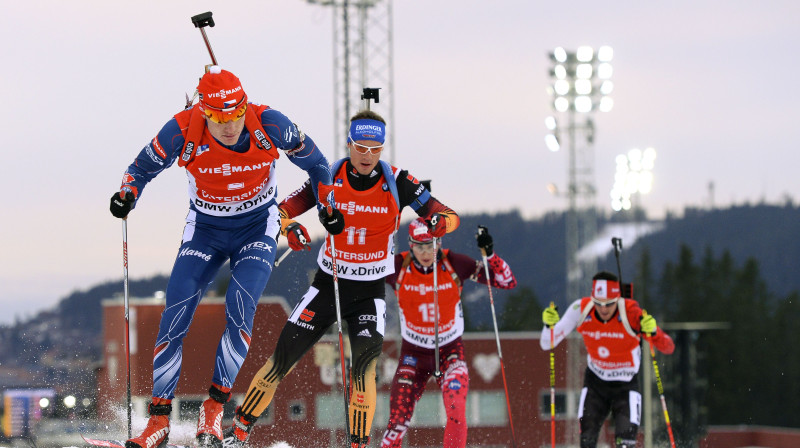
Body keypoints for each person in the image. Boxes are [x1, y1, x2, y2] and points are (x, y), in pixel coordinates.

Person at [108, 65, 334, 448]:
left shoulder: (270, 124)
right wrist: (127, 194)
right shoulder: (181, 129)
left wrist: (326, 203)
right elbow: (139, 169)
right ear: (204, 112)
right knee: (175, 312)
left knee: (239, 307)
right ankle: (158, 421)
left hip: (256, 229)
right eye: (219, 118)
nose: (231, 126)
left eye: (236, 114)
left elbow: (318, 164)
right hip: (206, 230)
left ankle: (213, 411)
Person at [221, 109, 460, 448]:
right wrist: (292, 230)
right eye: (360, 147)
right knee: (282, 359)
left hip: (369, 293)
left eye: (374, 148)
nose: (367, 155)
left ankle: (359, 445)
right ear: (349, 144)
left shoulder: (398, 181)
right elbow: (280, 212)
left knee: (363, 371)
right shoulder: (327, 175)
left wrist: (439, 224)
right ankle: (238, 433)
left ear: (382, 147)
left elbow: (447, 215)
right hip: (327, 286)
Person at [380, 220, 517, 448]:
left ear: (439, 243)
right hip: (413, 354)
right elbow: (359, 278)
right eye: (420, 246)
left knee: (456, 409)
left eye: (431, 245)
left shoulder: (453, 262)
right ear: (410, 245)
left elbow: (506, 281)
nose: (426, 252)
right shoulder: (398, 266)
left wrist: (490, 254)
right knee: (397, 420)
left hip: (449, 351)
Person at [539, 271, 675, 448]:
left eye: (609, 304)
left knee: (625, 443)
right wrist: (548, 325)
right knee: (587, 439)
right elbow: (547, 343)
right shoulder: (581, 308)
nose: (603, 309)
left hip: (625, 386)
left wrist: (654, 332)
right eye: (598, 303)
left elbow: (668, 347)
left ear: (618, 299)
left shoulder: (631, 313)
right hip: (596, 384)